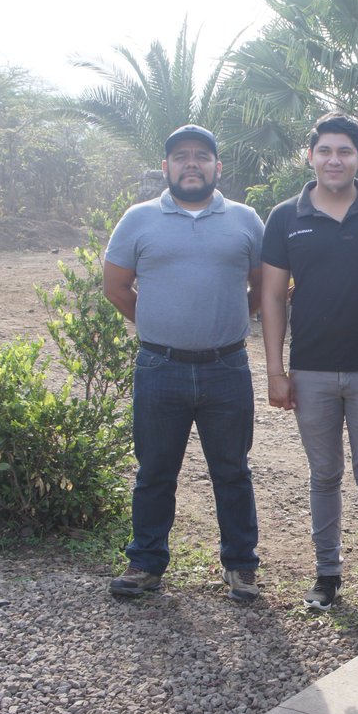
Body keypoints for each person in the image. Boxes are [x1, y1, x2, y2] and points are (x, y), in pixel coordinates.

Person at [104, 124, 264, 603]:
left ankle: (240, 566)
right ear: (166, 167)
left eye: (201, 156)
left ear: (218, 166)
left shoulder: (245, 219)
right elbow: (115, 287)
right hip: (160, 367)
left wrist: (227, 320)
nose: (190, 164)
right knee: (154, 470)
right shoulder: (138, 219)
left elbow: (262, 287)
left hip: (226, 367)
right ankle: (146, 563)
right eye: (180, 157)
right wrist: (158, 327)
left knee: (232, 470)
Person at [260, 112, 358, 623]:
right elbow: (273, 295)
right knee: (324, 474)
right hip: (311, 370)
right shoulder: (284, 217)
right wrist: (276, 369)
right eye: (325, 151)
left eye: (345, 151)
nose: (334, 159)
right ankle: (327, 576)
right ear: (311, 156)